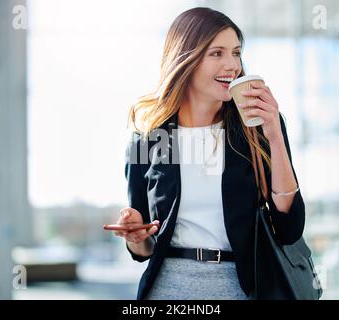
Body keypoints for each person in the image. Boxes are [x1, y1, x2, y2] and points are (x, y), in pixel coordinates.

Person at [112, 7, 305, 300]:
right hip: (166, 292)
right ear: (185, 59)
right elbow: (143, 250)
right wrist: (135, 235)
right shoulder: (149, 133)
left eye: (236, 53)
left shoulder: (253, 129)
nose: (233, 65)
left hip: (241, 289)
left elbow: (289, 229)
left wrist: (275, 135)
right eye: (217, 54)